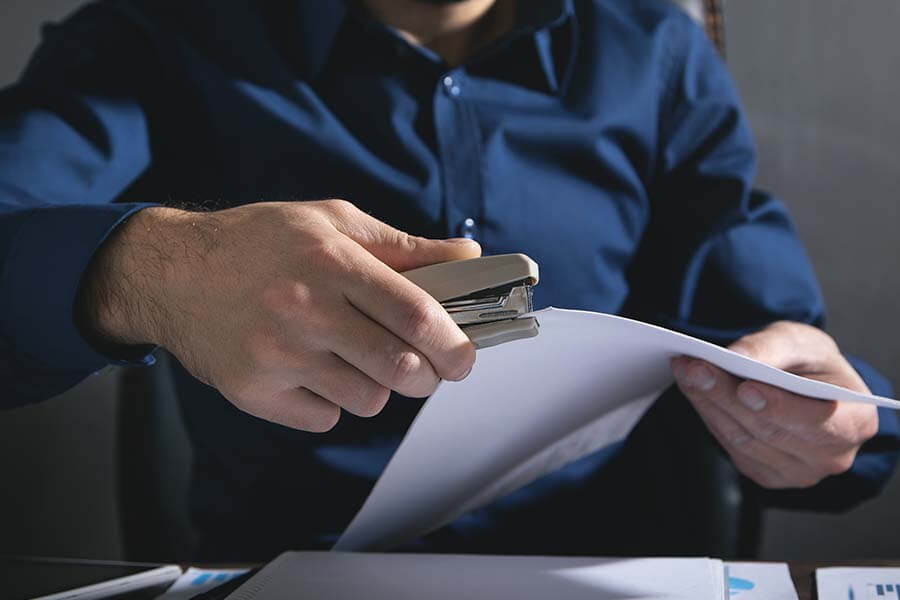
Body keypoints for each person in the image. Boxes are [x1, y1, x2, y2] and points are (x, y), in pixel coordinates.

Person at [1, 0, 897, 560]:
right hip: (296, 570)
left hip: (600, 571)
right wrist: (157, 270)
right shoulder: (161, 30)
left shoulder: (654, 50)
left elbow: (790, 358)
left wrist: (827, 418)